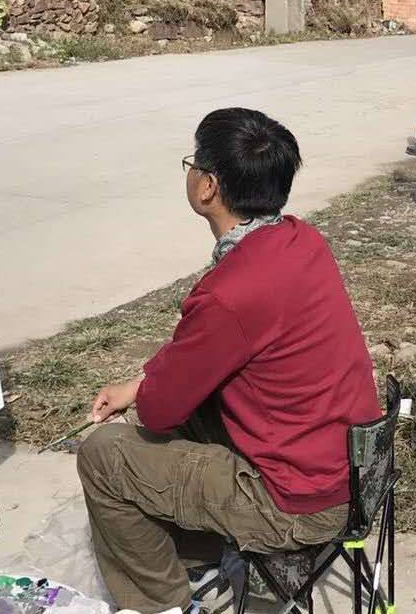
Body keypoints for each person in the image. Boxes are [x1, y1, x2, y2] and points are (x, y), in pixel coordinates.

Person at [76, 108, 381, 613]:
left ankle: (163, 602)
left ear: (208, 187)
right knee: (196, 409)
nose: (191, 173)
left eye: (193, 164)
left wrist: (146, 394)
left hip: (297, 503)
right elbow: (207, 351)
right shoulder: (302, 240)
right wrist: (141, 381)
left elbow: (158, 413)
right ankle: (200, 552)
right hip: (350, 466)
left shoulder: (231, 292)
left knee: (105, 454)